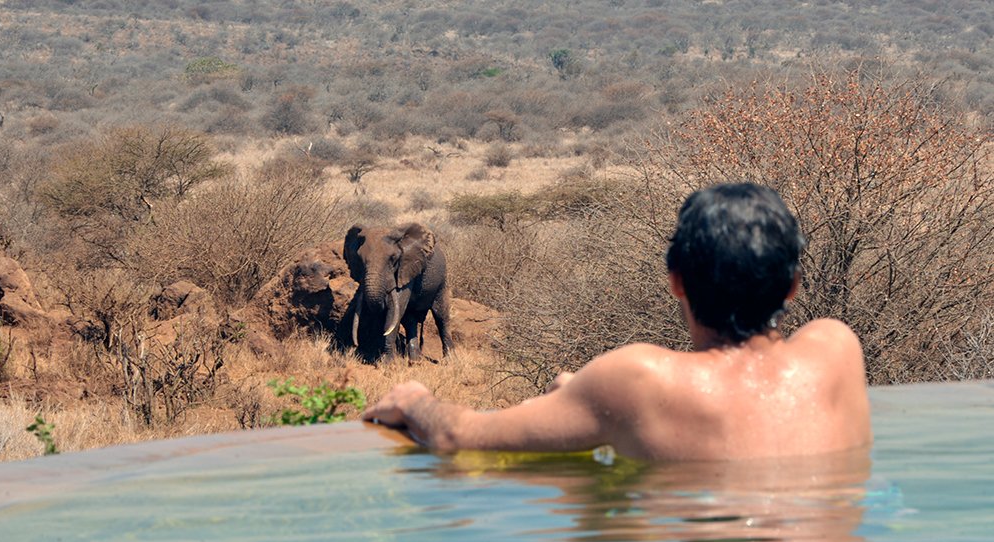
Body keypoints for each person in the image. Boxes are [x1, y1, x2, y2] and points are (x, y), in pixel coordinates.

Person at [363, 183, 871, 461]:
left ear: (676, 281)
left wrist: (415, 400)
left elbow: (461, 436)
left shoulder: (637, 379)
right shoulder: (837, 350)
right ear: (793, 287)